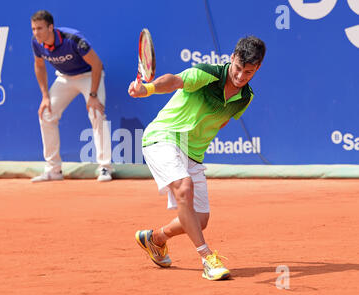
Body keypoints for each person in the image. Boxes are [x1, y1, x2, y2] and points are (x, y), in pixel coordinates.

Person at [128, 36, 266, 280]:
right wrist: (147, 89)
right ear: (231, 58)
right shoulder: (207, 73)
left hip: (193, 153)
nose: (241, 76)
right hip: (164, 135)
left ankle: (155, 239)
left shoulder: (245, 97)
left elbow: (220, 123)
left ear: (257, 68)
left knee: (199, 220)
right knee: (184, 187)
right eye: (238, 68)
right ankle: (207, 258)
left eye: (248, 72)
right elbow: (174, 81)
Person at [30, 10, 113, 182]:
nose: (36, 33)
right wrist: (45, 96)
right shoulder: (36, 43)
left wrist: (93, 95)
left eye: (39, 28)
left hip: (89, 76)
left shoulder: (73, 39)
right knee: (46, 113)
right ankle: (53, 170)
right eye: (33, 29)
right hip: (64, 78)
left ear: (50, 27)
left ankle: (105, 167)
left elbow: (97, 64)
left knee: (96, 113)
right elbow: (39, 66)